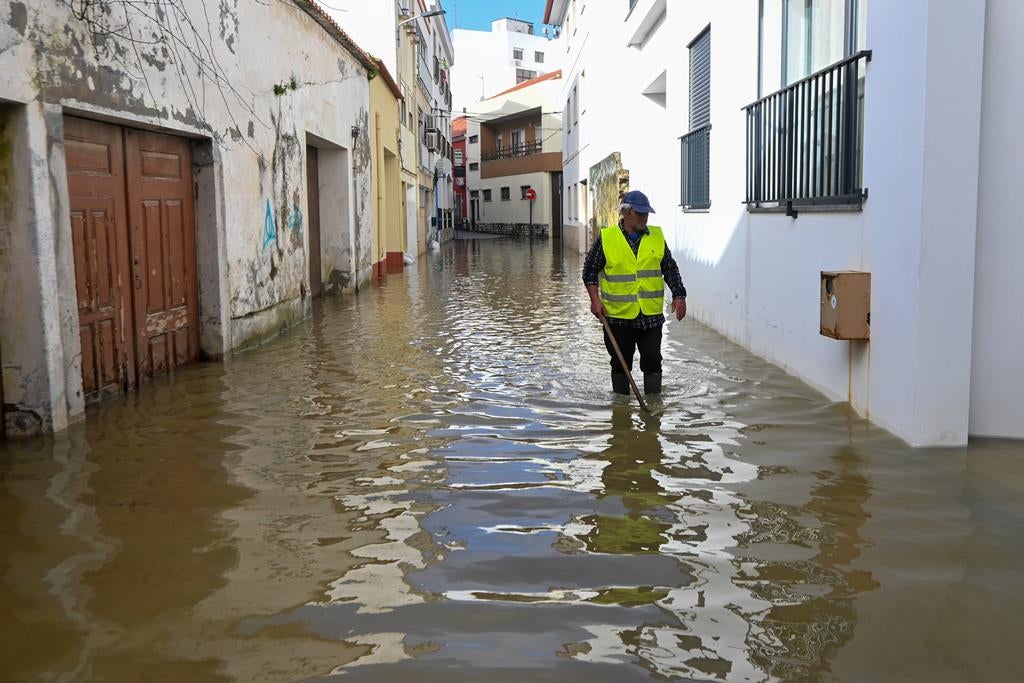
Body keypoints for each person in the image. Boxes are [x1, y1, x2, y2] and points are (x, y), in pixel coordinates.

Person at [582, 190, 687, 396]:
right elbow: (589, 272)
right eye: (639, 214)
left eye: (646, 214)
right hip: (618, 317)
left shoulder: (656, 237)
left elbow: (669, 268)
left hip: (650, 316)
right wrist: (595, 301)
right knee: (620, 364)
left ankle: (654, 409)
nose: (644, 218)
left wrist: (679, 295)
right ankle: (621, 414)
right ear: (625, 213)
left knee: (653, 361)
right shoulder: (607, 238)